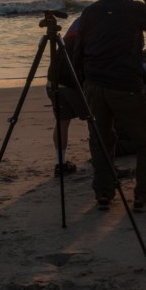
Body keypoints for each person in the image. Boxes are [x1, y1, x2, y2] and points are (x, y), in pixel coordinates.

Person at [74, 0, 146, 211]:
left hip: (94, 85)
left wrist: (83, 84)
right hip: (125, 85)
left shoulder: (90, 11)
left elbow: (78, 51)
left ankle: (104, 194)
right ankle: (144, 197)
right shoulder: (135, 9)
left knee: (101, 140)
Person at [46, 17, 88, 176]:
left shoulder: (77, 24)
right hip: (73, 82)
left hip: (54, 78)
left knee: (62, 122)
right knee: (95, 120)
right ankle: (101, 159)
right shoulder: (96, 29)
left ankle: (60, 163)